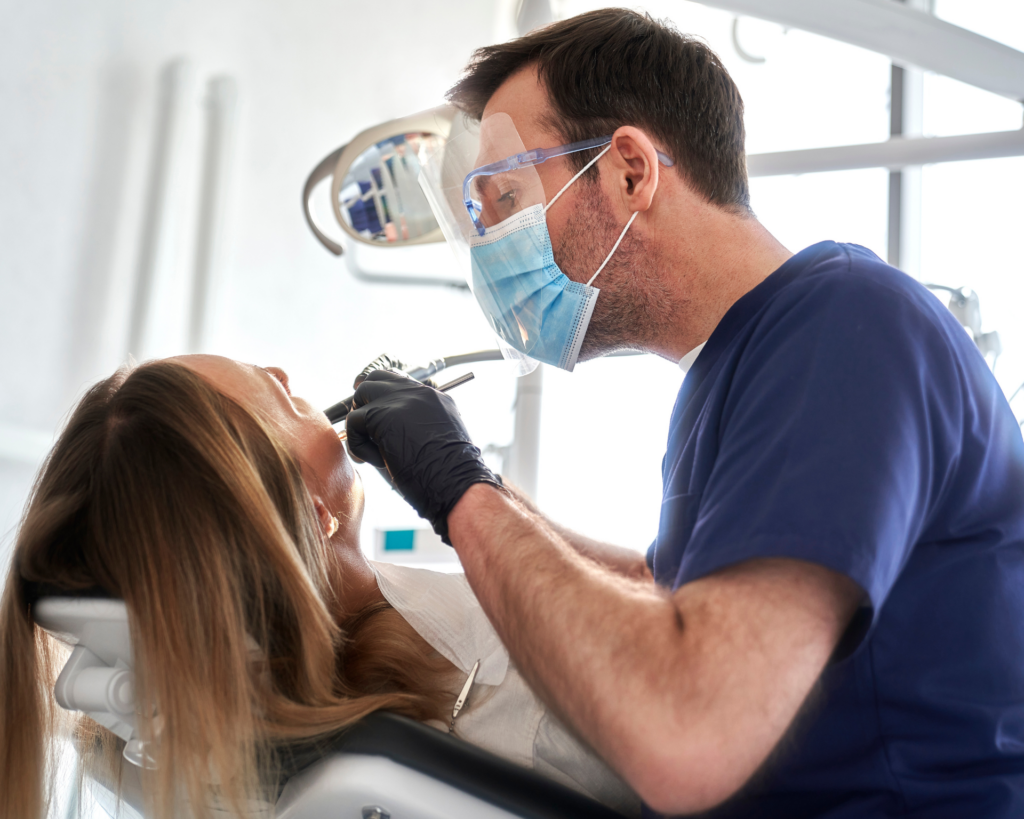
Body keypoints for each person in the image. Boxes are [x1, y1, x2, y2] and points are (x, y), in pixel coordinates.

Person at [343, 8, 1024, 818]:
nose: (491, 245)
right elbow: (668, 594)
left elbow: (686, 732)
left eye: (505, 201)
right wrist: (468, 485)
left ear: (629, 170)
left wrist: (463, 492)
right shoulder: (732, 371)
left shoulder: (843, 326)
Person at [0, 355, 639, 819]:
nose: (282, 371)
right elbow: (682, 627)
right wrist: (470, 495)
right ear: (313, 512)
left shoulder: (213, 754)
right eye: (279, 399)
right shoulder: (510, 699)